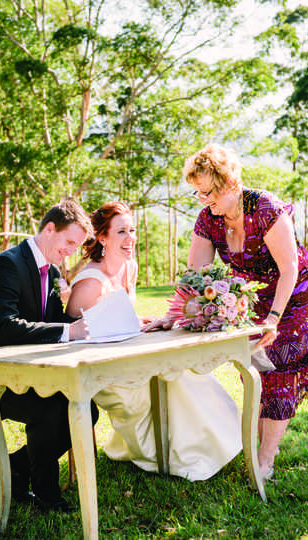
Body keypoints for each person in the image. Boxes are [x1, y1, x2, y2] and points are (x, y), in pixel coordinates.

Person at [66, 201, 242, 482]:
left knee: (185, 372)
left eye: (132, 230)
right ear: (102, 238)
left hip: (131, 353)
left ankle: (214, 444)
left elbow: (122, 315)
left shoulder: (129, 267)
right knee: (175, 380)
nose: (130, 238)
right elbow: (74, 336)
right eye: (121, 231)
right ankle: (177, 455)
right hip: (103, 372)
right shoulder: (90, 283)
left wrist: (145, 321)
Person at [171, 142, 308, 480]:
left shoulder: (265, 208)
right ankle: (259, 448)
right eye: (198, 194)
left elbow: (289, 267)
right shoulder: (209, 219)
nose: (203, 201)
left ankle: (264, 460)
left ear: (230, 183)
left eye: (208, 193)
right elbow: (195, 273)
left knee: (280, 366)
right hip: (257, 299)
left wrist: (274, 319)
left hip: (296, 295)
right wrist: (174, 313)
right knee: (260, 371)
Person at [0, 199, 99, 511]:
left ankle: (16, 465)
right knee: (51, 409)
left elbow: (51, 319)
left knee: (86, 409)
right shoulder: (6, 265)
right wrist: (68, 332)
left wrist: (86, 325)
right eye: (68, 242)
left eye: (76, 246)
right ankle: (47, 494)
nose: (70, 252)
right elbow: (6, 328)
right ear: (49, 229)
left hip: (28, 373)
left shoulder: (49, 269)